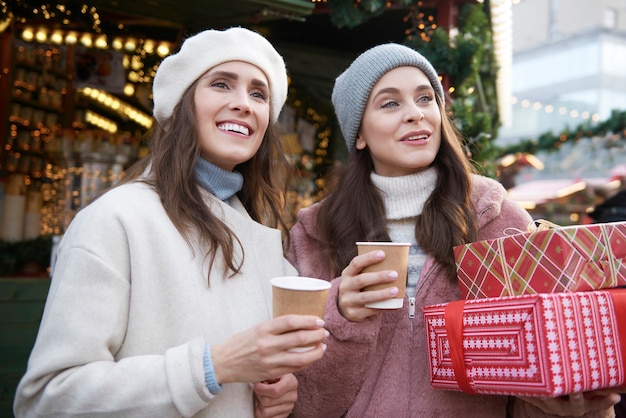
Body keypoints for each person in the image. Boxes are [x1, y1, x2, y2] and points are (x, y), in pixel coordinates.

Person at [286, 43, 621, 417]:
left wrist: (565, 405)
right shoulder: (313, 236)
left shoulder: (497, 218)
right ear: (358, 134)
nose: (415, 114)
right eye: (390, 103)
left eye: (425, 98)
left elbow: (526, 384)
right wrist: (342, 316)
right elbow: (305, 403)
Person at [14, 27, 327, 418]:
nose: (244, 104)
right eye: (221, 84)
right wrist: (213, 368)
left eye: (258, 93)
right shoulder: (117, 219)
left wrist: (270, 399)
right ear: (182, 104)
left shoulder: (263, 244)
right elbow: (48, 398)